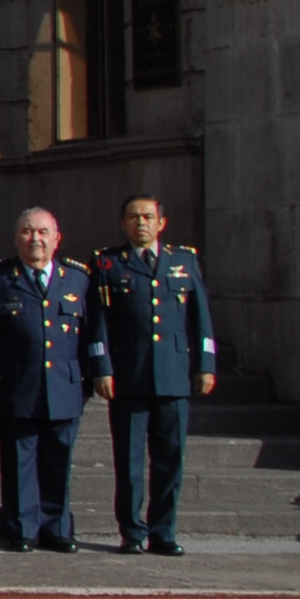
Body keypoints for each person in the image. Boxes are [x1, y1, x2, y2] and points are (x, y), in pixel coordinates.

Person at [83, 195, 215, 557]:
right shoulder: (108, 263)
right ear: (123, 223)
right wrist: (102, 367)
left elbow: (200, 317)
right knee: (129, 462)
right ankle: (131, 532)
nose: (140, 223)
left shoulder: (183, 262)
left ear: (161, 222)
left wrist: (206, 364)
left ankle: (164, 531)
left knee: (170, 459)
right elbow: (98, 324)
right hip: (129, 376)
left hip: (173, 376)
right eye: (132, 217)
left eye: (147, 217)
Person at [0, 207, 91, 554]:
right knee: (18, 462)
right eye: (27, 232)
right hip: (16, 385)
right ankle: (22, 528)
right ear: (16, 239)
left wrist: (87, 380)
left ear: (57, 239)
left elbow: (90, 336)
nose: (35, 239)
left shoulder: (78, 279)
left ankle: (56, 528)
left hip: (64, 385)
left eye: (43, 232)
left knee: (58, 461)